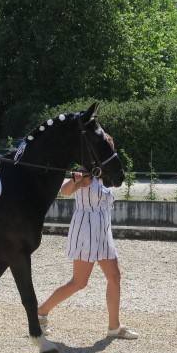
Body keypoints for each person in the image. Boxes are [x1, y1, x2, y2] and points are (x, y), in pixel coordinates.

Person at [37, 133, 138, 340]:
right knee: (79, 282)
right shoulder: (84, 172)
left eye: (110, 146)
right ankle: (40, 313)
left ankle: (114, 327)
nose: (109, 150)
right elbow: (65, 191)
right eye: (106, 147)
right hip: (85, 231)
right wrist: (77, 183)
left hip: (103, 231)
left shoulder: (106, 176)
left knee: (115, 277)